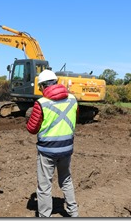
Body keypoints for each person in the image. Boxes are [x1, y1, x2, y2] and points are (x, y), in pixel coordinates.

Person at [26, 69, 79, 218]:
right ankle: (74, 213)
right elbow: (75, 117)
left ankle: (44, 216)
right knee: (66, 180)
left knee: (44, 186)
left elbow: (32, 129)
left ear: (43, 86)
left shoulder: (41, 103)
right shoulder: (73, 99)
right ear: (56, 83)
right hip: (67, 149)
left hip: (47, 151)